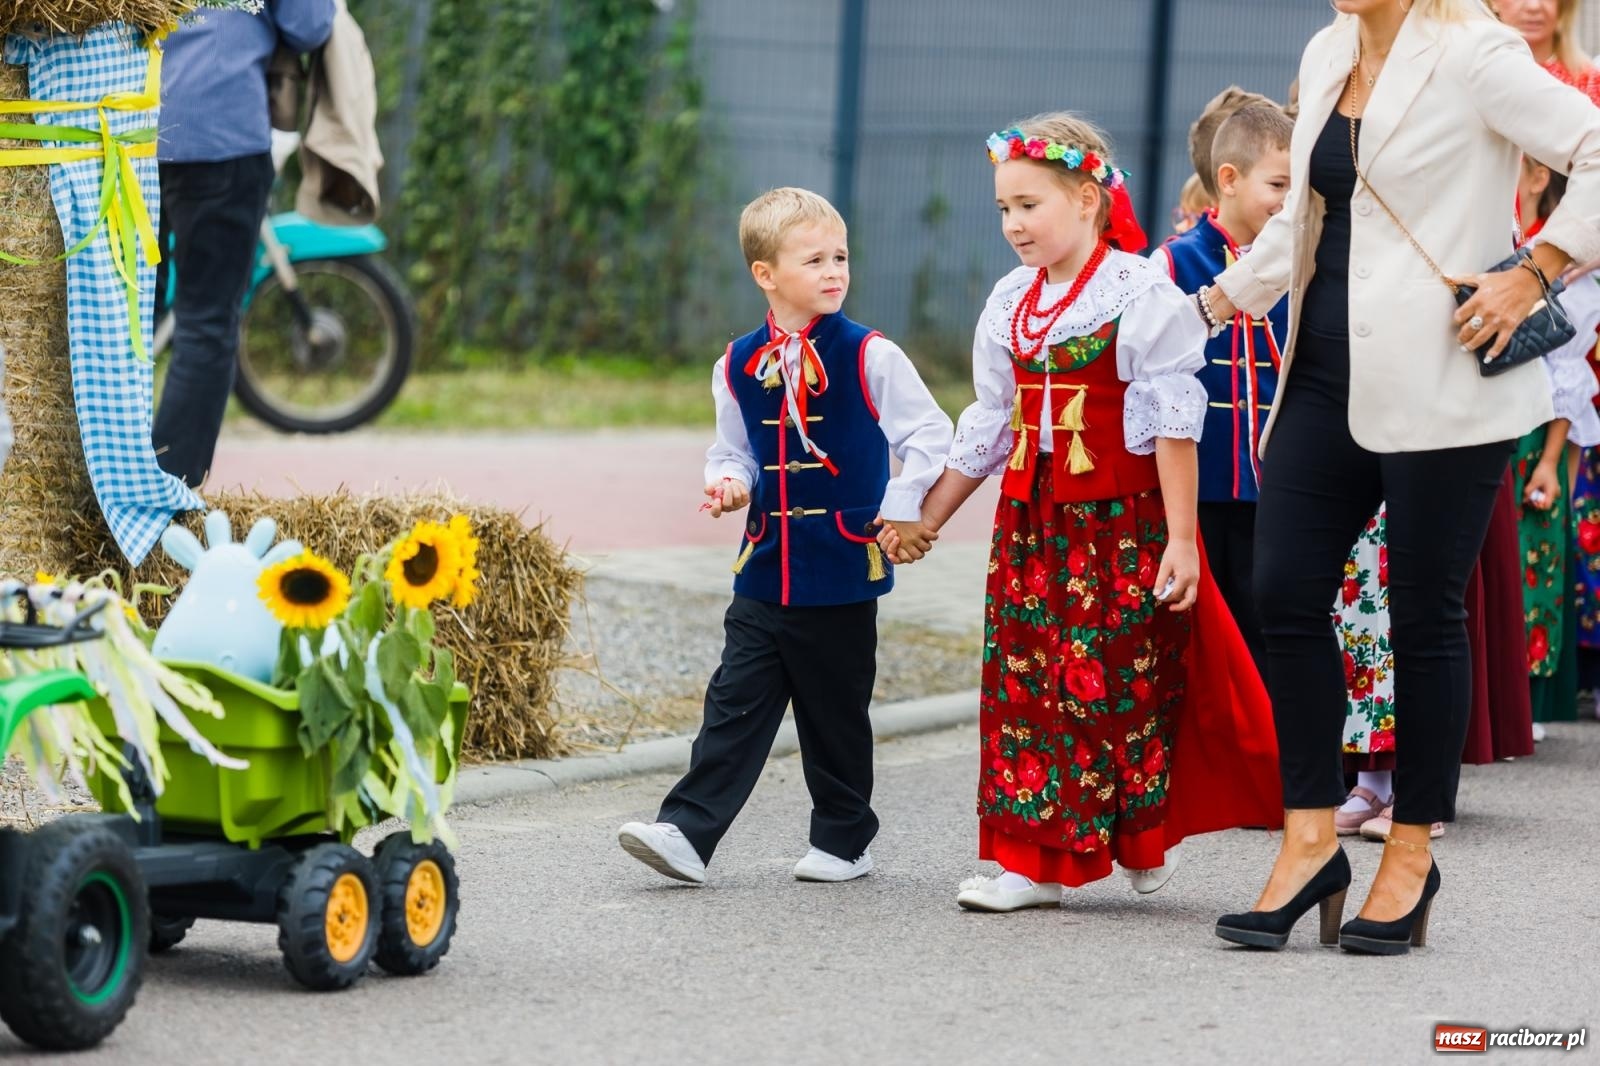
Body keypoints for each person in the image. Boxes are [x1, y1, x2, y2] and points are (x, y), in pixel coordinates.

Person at [1200, 0, 1600, 956]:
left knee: (1426, 617)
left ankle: (1410, 853)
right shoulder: (1329, 48)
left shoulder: (1476, 53)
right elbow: (1303, 214)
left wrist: (1533, 270)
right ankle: (1310, 840)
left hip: (1443, 379)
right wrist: (1212, 304)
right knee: (1284, 592)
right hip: (1324, 373)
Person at [880, 114, 1281, 913]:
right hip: (1031, 532)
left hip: (1117, 529)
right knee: (1029, 689)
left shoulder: (1141, 293)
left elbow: (1173, 423)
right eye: (1003, 209)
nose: (1013, 225)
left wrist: (1181, 542)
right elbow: (990, 424)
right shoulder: (1008, 303)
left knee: (1121, 691)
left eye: (1029, 205)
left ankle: (1136, 837)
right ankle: (1034, 864)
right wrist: (928, 517)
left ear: (1089, 198)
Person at [615, 187, 953, 886]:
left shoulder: (871, 355)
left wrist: (900, 505)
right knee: (732, 704)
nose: (835, 271)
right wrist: (729, 481)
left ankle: (843, 839)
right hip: (765, 565)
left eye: (841, 257)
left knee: (835, 716)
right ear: (764, 274)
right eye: (814, 260)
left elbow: (929, 434)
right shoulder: (737, 362)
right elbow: (732, 448)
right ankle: (686, 834)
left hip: (841, 566)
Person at [154, 0, 336, 488]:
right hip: (219, 131)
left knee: (120, 322)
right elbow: (310, 24)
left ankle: (100, 487)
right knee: (206, 325)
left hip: (120, 129)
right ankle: (168, 500)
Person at [1157, 102, 1294, 669]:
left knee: (1275, 625)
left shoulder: (1301, 259)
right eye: (1279, 183)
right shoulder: (1172, 263)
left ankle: (1284, 752)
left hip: (1279, 479)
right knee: (1209, 635)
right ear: (1229, 180)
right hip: (1204, 482)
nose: (1290, 199)